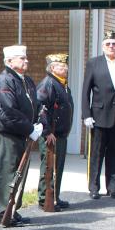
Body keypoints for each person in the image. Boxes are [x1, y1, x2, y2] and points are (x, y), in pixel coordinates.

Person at [0, 44, 44, 226]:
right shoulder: (4, 81)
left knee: (18, 174)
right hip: (6, 135)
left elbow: (33, 105)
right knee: (6, 173)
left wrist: (36, 123)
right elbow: (6, 112)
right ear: (9, 61)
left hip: (21, 134)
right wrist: (28, 128)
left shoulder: (25, 81)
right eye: (21, 58)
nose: (26, 60)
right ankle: (4, 211)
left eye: (25, 57)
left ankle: (13, 209)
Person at [81, 30, 115, 199]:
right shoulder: (94, 63)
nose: (111, 46)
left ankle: (114, 188)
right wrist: (86, 115)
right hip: (98, 115)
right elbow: (86, 91)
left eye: (114, 43)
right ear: (103, 46)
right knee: (96, 154)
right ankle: (94, 188)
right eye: (108, 44)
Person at [36, 53, 74, 211]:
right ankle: (45, 199)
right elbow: (40, 109)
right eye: (61, 66)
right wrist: (46, 131)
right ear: (52, 68)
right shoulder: (48, 84)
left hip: (61, 134)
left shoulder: (63, 84)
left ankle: (55, 196)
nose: (65, 68)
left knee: (58, 167)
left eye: (65, 66)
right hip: (51, 135)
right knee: (49, 167)